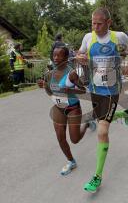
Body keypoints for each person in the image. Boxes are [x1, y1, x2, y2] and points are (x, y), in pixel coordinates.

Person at [76, 7, 128, 193]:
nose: (95, 26)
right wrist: (81, 59)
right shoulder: (88, 38)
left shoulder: (119, 37)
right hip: (95, 89)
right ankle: (125, 113)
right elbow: (80, 56)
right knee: (103, 118)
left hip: (111, 90)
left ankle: (97, 176)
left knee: (102, 131)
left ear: (108, 22)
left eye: (99, 23)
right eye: (93, 23)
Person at [37, 46, 96, 176]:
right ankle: (71, 161)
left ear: (66, 57)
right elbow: (49, 93)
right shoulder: (49, 74)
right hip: (58, 108)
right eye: (54, 55)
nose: (56, 58)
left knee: (74, 139)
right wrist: (45, 86)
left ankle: (86, 124)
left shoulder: (72, 73)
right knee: (60, 137)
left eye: (59, 56)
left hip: (73, 108)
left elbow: (83, 90)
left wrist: (71, 90)